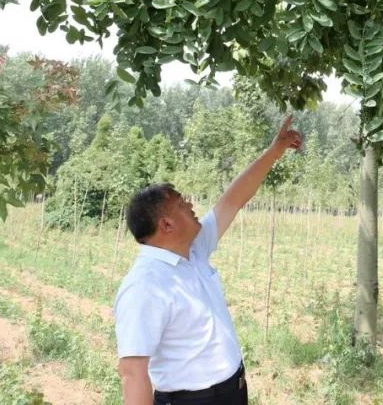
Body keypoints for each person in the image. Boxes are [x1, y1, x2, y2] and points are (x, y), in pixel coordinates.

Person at [113, 114, 303, 405]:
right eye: (180, 203)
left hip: (233, 391)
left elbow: (232, 200)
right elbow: (133, 373)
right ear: (166, 225)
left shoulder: (193, 250)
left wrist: (275, 150)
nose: (190, 204)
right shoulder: (145, 285)